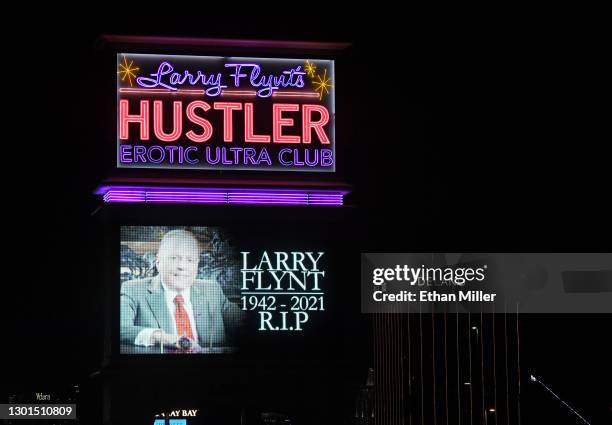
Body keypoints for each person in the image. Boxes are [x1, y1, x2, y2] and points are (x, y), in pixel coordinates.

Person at [120, 229, 243, 351]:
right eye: (174, 258)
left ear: (197, 264)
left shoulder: (211, 290)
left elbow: (244, 323)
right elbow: (120, 328)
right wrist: (164, 338)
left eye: (189, 260)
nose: (182, 266)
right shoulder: (134, 290)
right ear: (158, 261)